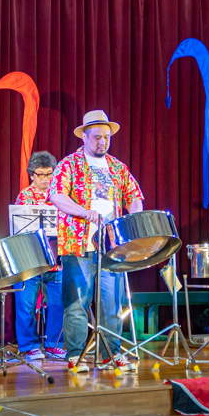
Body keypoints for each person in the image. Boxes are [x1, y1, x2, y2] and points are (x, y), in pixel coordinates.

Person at [50, 110, 144, 373]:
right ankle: (75, 356)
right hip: (78, 244)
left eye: (106, 137)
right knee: (77, 303)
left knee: (112, 305)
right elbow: (57, 195)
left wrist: (134, 219)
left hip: (111, 246)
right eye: (97, 137)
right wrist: (83, 212)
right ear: (85, 138)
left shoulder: (118, 167)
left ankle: (109, 354)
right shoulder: (68, 164)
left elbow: (134, 196)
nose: (102, 142)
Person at [13, 151, 65, 361]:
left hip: (56, 261)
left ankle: (54, 344)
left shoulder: (61, 195)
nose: (45, 179)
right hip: (30, 261)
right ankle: (29, 346)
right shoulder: (25, 197)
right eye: (40, 174)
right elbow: (19, 229)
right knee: (25, 305)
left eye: (49, 174)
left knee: (58, 304)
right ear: (32, 175)